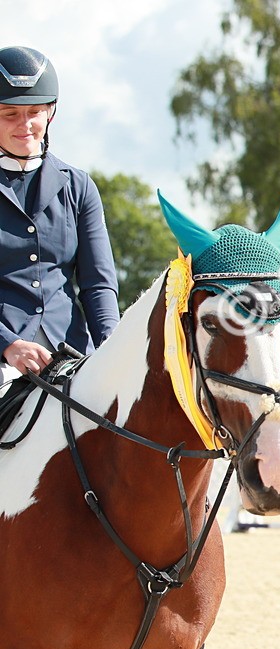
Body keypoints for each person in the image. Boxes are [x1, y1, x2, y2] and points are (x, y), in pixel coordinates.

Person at [0, 46, 118, 391]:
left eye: (35, 112)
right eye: (10, 114)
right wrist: (8, 344)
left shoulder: (78, 186)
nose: (25, 125)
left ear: (51, 113)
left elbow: (98, 284)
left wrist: (111, 348)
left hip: (70, 354)